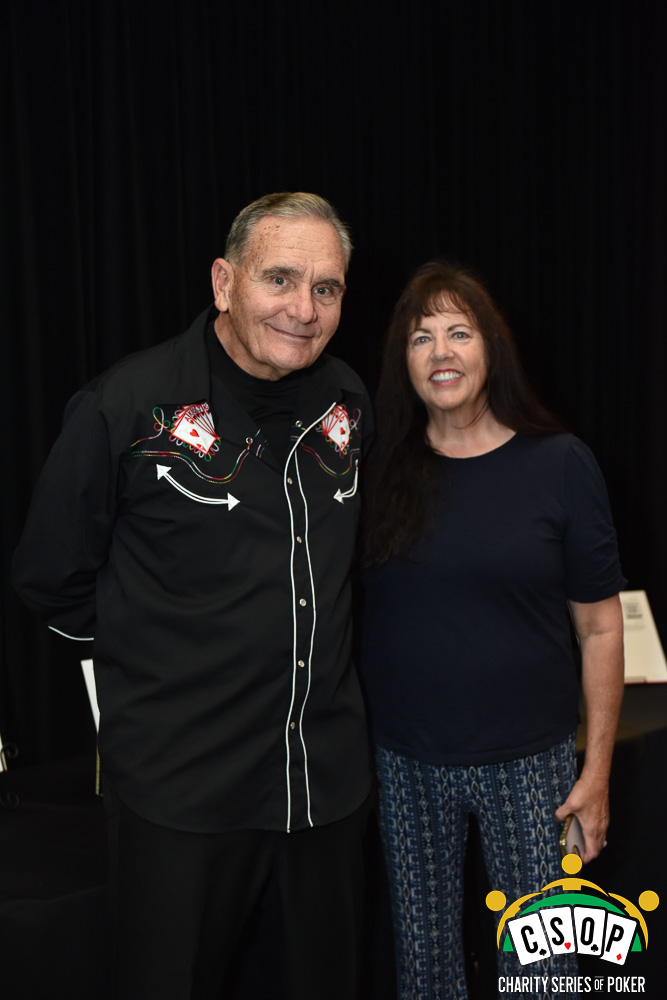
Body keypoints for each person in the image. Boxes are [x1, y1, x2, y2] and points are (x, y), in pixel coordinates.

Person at [13, 192, 373, 1000]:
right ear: (223, 281)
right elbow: (51, 577)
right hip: (180, 796)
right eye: (279, 278)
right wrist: (161, 663)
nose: (303, 308)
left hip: (322, 788)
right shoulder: (127, 406)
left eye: (326, 287)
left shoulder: (348, 401)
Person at [359, 261, 625, 1000]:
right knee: (424, 972)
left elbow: (601, 629)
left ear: (491, 349)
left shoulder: (560, 464)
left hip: (531, 766)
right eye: (421, 338)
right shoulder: (376, 469)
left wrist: (596, 776)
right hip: (404, 762)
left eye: (459, 332)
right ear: (403, 360)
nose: (440, 352)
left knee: (541, 973)